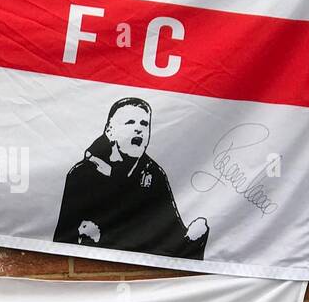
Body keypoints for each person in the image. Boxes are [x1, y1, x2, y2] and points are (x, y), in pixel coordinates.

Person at [53, 97, 208, 260]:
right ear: (109, 131)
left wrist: (193, 238)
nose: (139, 129)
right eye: (130, 122)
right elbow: (63, 239)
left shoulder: (155, 174)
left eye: (144, 124)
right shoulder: (82, 174)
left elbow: (172, 236)